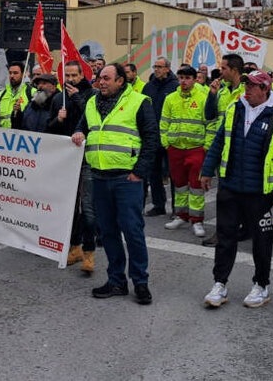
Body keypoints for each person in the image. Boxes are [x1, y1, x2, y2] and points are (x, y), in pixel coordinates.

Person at [199, 70, 273, 308]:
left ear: (265, 89)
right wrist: (206, 170)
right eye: (246, 85)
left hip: (261, 193)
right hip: (230, 186)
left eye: (252, 86)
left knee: (262, 243)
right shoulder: (234, 109)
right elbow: (219, 141)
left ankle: (261, 285)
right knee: (225, 238)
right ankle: (219, 284)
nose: (247, 90)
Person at [72, 64, 158, 305]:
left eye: (107, 78)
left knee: (132, 232)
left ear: (121, 81)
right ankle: (116, 280)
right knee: (108, 233)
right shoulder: (91, 102)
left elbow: (152, 138)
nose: (102, 82)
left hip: (126, 179)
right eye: (100, 78)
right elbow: (83, 126)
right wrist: (78, 133)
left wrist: (139, 172)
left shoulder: (140, 102)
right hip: (99, 177)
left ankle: (140, 282)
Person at [160, 66, 214, 237]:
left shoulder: (204, 97)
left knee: (196, 186)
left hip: (196, 149)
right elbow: (164, 122)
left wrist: (206, 147)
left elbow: (211, 124)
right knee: (179, 185)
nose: (183, 81)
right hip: (175, 149)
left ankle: (197, 221)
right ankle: (181, 216)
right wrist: (166, 143)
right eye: (181, 77)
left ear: (195, 79)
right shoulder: (170, 98)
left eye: (187, 78)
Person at [202, 53, 245, 247]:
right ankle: (222, 232)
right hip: (223, 146)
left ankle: (244, 227)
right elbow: (209, 115)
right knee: (224, 192)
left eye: (224, 68)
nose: (221, 72)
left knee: (243, 192)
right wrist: (211, 94)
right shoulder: (221, 90)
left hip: (241, 148)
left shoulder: (247, 89)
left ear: (235, 70)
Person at [60, 61, 98, 274]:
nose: (71, 79)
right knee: (70, 209)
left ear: (82, 75)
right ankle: (75, 247)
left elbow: (93, 119)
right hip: (66, 160)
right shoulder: (60, 96)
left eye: (74, 75)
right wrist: (57, 119)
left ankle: (89, 252)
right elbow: (51, 127)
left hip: (87, 160)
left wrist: (77, 97)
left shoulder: (92, 94)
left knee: (88, 210)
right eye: (67, 75)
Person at [141, 57, 179, 216]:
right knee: (153, 173)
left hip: (170, 136)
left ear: (168, 69)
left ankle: (178, 208)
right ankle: (159, 204)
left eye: (159, 67)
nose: (156, 69)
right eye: (155, 66)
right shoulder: (148, 87)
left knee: (174, 174)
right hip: (152, 136)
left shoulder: (175, 87)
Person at [0, 62, 34, 129]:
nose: (12, 76)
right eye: (10, 73)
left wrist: (20, 112)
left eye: (15, 73)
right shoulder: (2, 94)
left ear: (23, 75)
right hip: (3, 135)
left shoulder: (31, 92)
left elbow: (34, 118)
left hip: (22, 135)